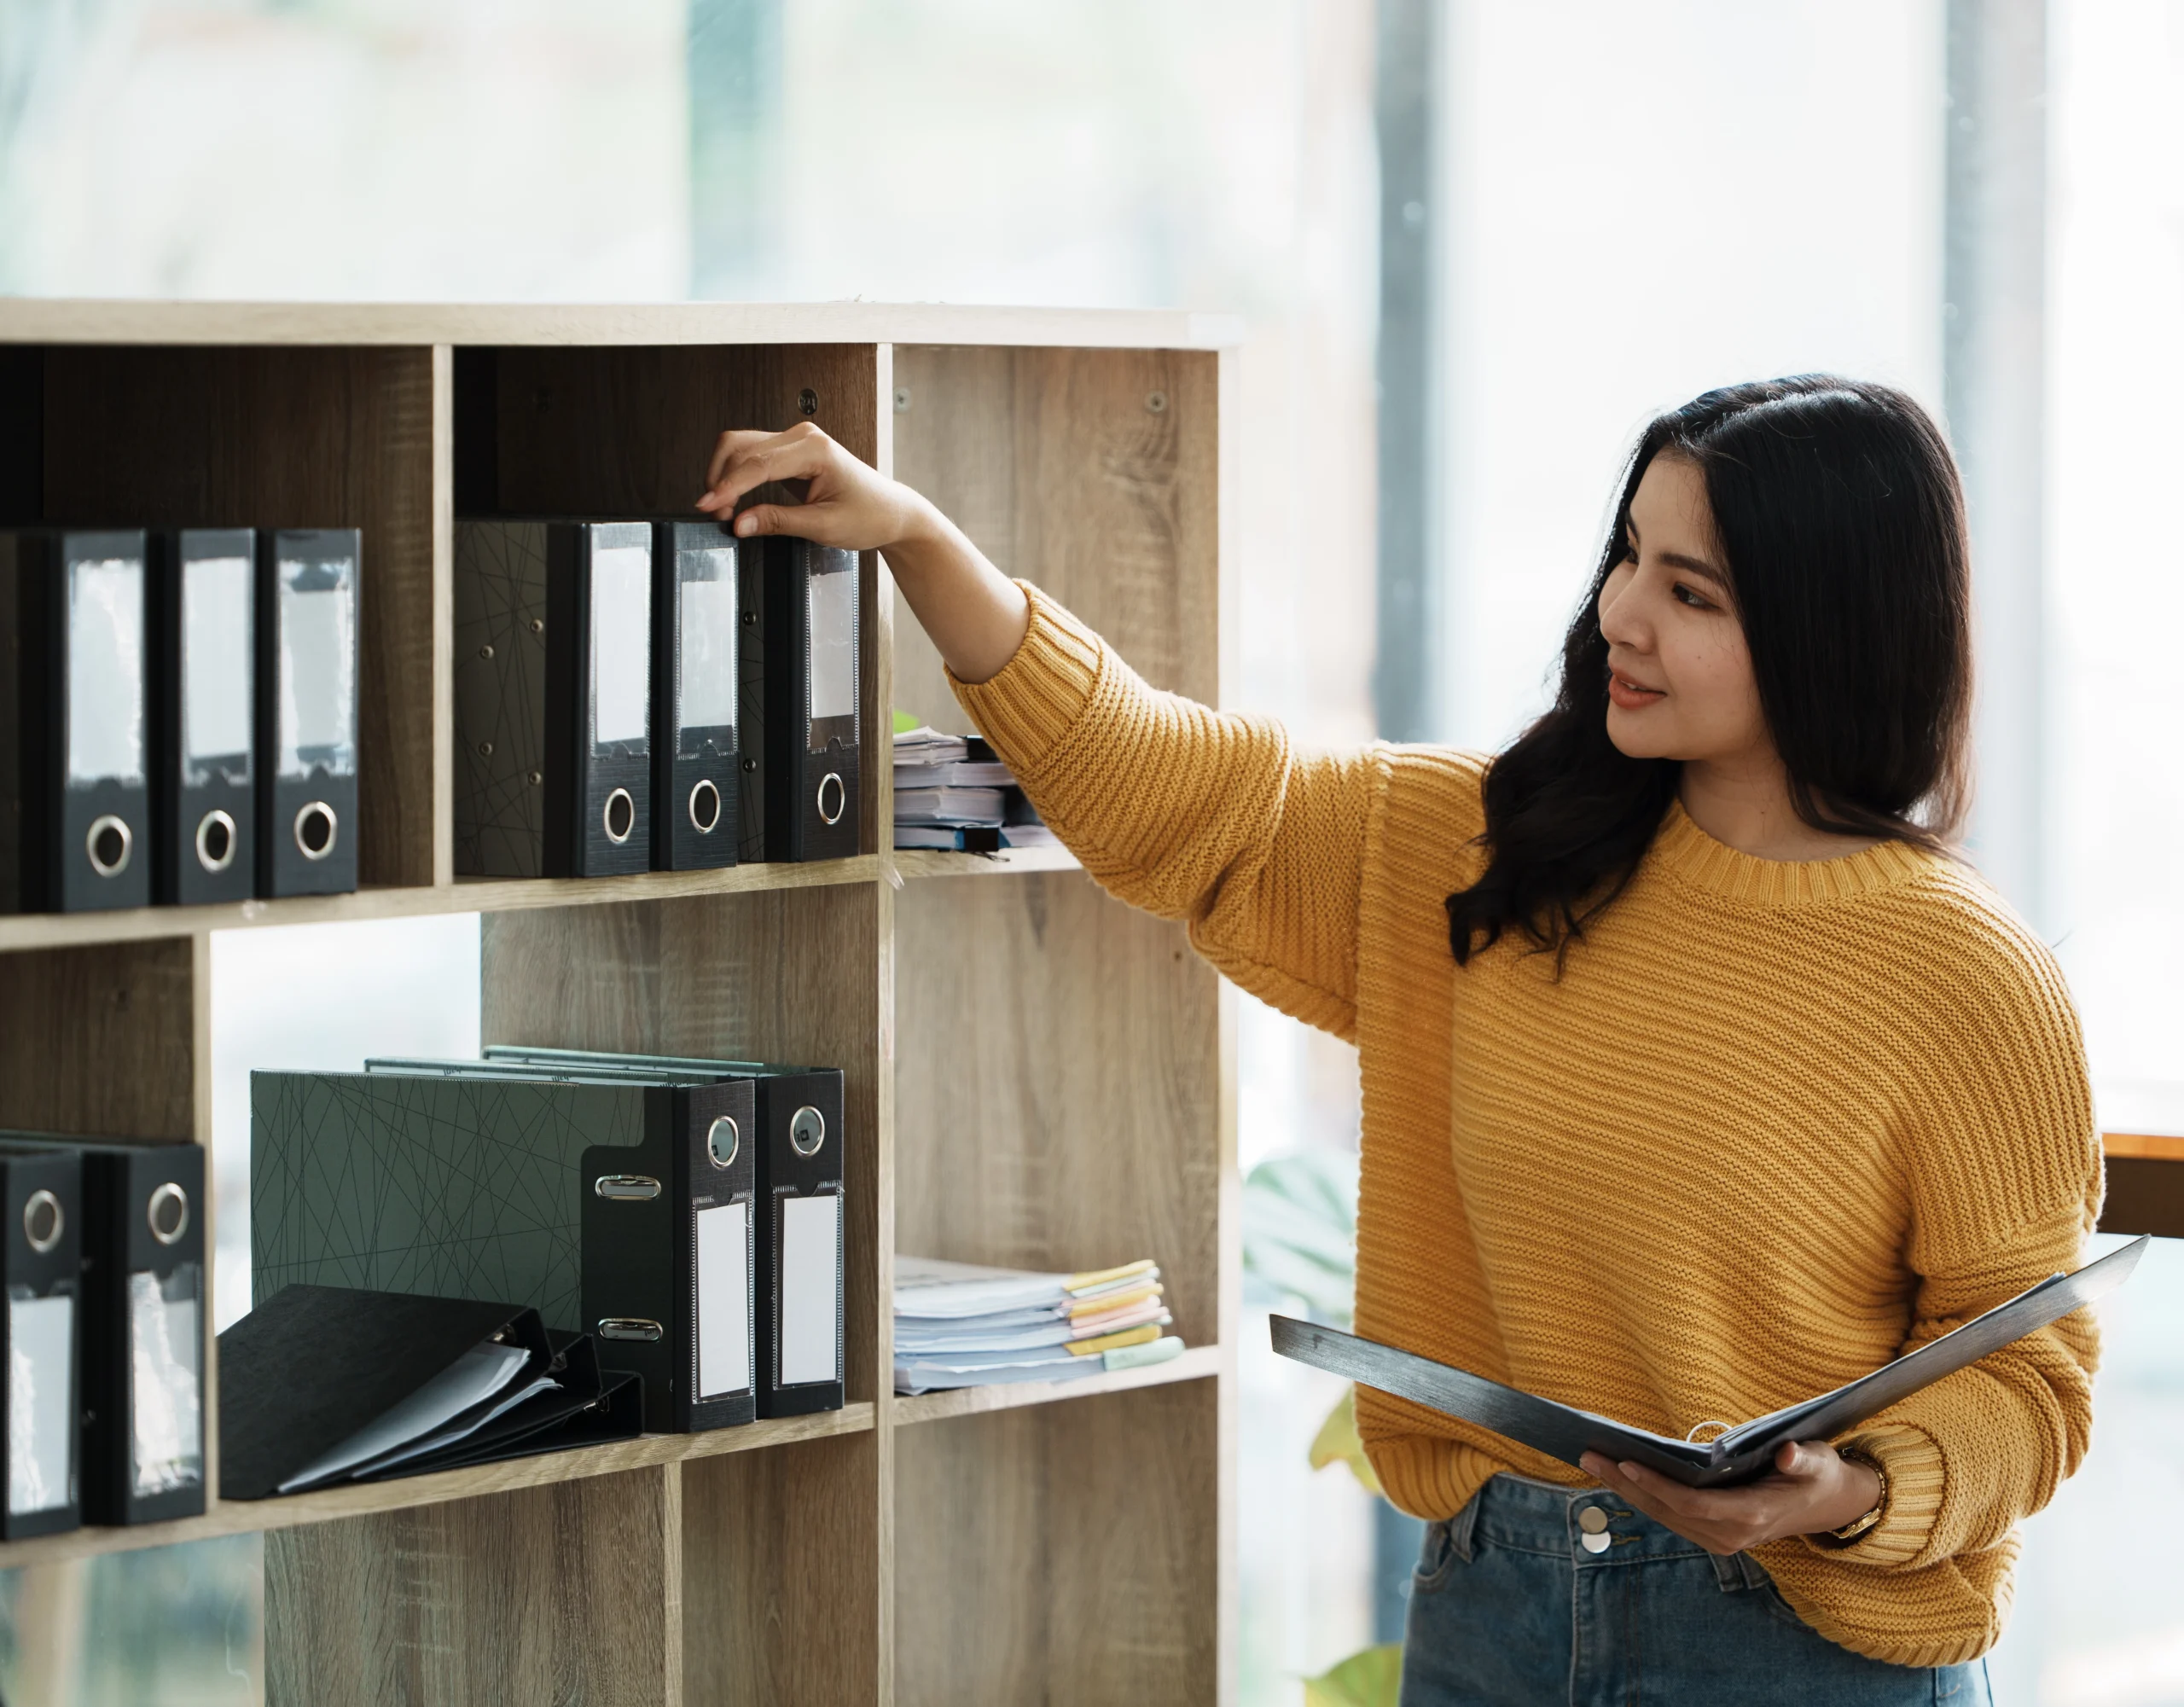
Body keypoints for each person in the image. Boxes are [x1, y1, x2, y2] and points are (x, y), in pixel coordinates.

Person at [698, 376, 2100, 1705]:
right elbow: (1161, 788)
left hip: (1805, 1652)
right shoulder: (1479, 851)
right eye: (1629, 558)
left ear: (1826, 632)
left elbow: (2032, 1385)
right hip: (1496, 1615)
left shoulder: (1963, 977)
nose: (1622, 613)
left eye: (1691, 594)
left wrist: (1840, 1489)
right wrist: (920, 541)